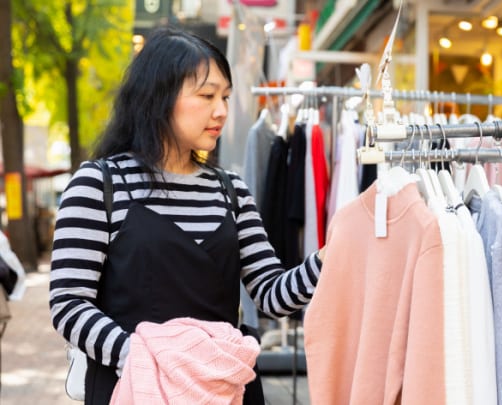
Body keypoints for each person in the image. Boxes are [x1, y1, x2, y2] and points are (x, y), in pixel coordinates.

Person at [48, 27, 324, 404]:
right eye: (207, 95)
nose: (221, 110)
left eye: (225, 96)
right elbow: (69, 303)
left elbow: (271, 295)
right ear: (158, 98)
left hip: (226, 389)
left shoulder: (231, 190)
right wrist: (142, 359)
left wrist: (330, 258)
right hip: (135, 388)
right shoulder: (99, 184)